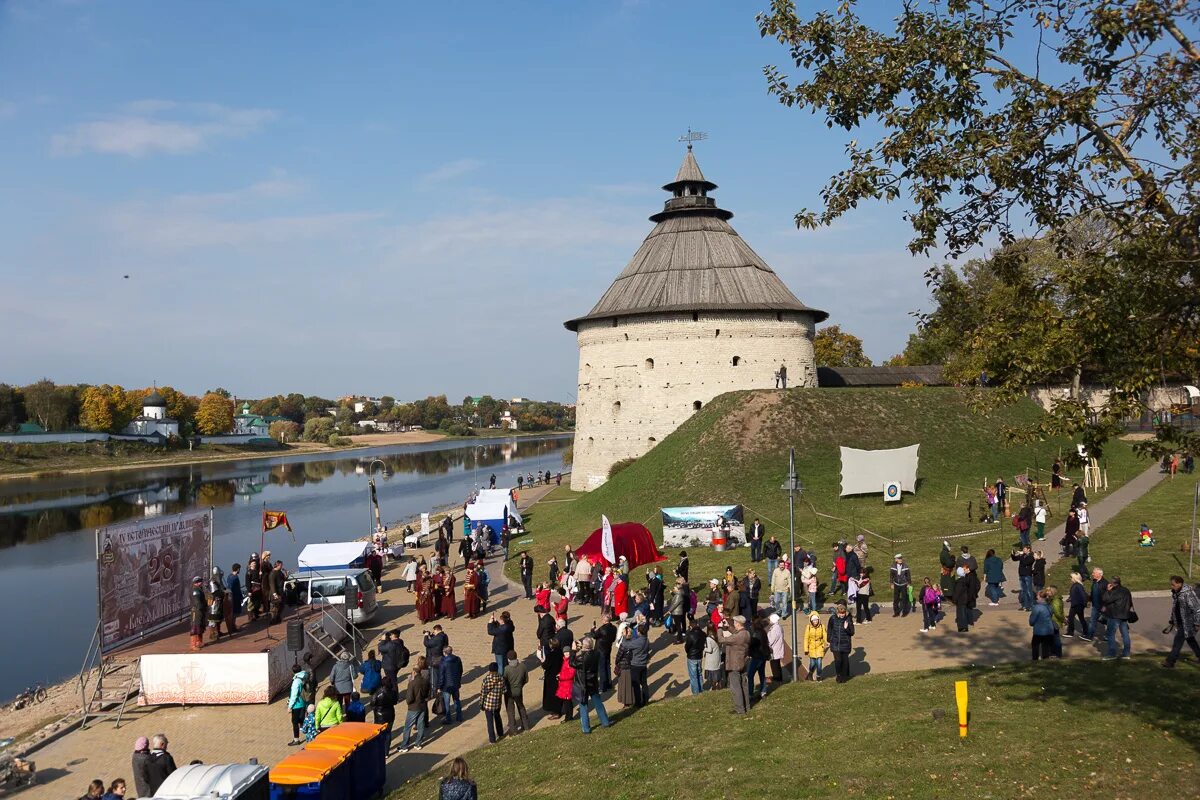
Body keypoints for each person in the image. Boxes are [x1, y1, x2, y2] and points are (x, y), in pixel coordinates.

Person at [570, 636, 611, 733]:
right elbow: (589, 650)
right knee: (598, 703)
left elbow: (572, 663)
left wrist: (573, 651)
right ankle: (605, 722)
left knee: (583, 706)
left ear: (584, 647)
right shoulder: (596, 654)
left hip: (583, 684)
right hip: (593, 682)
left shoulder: (581, 659)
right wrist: (583, 647)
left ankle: (586, 728)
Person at [1163, 575, 1200, 668]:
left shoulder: (1188, 594)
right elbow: (1175, 608)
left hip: (1189, 622)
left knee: (1178, 641)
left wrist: (1197, 623)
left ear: (1180, 584)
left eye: (1173, 585)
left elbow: (1197, 609)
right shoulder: (1177, 593)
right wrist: (1172, 620)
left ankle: (1170, 661)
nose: (1171, 586)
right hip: (1181, 621)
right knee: (1190, 639)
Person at [398, 657, 431, 752]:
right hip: (422, 705)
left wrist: (408, 702)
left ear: (414, 672)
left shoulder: (412, 683)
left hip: (413, 707)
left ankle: (404, 745)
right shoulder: (425, 681)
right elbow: (427, 693)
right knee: (421, 725)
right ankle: (418, 743)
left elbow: (409, 697)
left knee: (407, 726)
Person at [720, 615, 751, 713]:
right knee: (744, 685)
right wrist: (728, 627)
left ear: (738, 623)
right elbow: (736, 634)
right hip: (743, 662)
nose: (733, 623)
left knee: (736, 687)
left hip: (734, 664)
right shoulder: (746, 633)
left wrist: (720, 628)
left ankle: (740, 709)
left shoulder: (737, 637)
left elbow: (721, 640)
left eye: (734, 622)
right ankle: (747, 706)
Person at [1101, 576, 1134, 660]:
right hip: (1124, 616)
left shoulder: (1114, 591)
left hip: (1114, 616)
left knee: (1111, 634)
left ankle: (1112, 654)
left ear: (1113, 583)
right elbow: (1130, 602)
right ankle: (1126, 653)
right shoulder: (1126, 590)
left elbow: (1105, 599)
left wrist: (1107, 591)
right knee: (1125, 634)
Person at [618, 622, 650, 707]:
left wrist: (624, 636)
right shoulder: (646, 640)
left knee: (635, 684)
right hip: (643, 664)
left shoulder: (638, 642)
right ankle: (645, 700)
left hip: (636, 665)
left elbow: (625, 645)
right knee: (644, 683)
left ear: (639, 632)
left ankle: (638, 703)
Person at [502, 650, 530, 733]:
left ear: (508, 659)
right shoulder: (523, 666)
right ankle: (526, 726)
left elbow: (504, 682)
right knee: (521, 707)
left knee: (510, 711)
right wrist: (520, 686)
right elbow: (526, 679)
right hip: (519, 691)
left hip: (509, 693)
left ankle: (513, 730)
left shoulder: (506, 669)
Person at [828, 601, 855, 683]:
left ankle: (844, 677)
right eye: (840, 613)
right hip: (835, 644)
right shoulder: (832, 618)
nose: (842, 615)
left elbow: (852, 632)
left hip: (845, 644)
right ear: (837, 612)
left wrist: (846, 628)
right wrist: (829, 640)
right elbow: (829, 629)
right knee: (838, 661)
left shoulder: (848, 619)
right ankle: (838, 675)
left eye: (843, 613)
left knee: (845, 661)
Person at [371, 677, 399, 753]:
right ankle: (386, 752)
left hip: (379, 716)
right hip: (390, 714)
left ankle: (379, 750)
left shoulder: (378, 692)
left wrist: (376, 707)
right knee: (388, 733)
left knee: (379, 733)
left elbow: (372, 702)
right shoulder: (393, 692)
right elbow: (395, 702)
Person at [481, 663, 507, 742]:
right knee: (497, 717)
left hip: (488, 704)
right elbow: (504, 690)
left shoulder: (486, 679)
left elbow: (483, 693)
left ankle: (492, 739)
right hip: (497, 702)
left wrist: (481, 703)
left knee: (490, 721)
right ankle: (500, 733)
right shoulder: (501, 679)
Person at [438, 645, 464, 724]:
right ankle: (459, 716)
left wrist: (439, 686)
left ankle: (448, 718)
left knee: (447, 703)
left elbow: (441, 676)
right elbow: (461, 670)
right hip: (456, 684)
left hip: (447, 686)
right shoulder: (457, 659)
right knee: (457, 700)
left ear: (445, 653)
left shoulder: (443, 663)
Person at [541, 637, 565, 718]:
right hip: (558, 674)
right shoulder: (560, 652)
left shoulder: (551, 655)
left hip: (551, 677)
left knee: (553, 695)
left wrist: (542, 661)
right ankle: (558, 710)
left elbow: (545, 665)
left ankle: (556, 712)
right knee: (557, 693)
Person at [593, 612, 617, 692]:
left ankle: (603, 686)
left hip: (600, 650)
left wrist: (593, 630)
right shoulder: (614, 628)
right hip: (608, 648)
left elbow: (594, 636)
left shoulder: (602, 629)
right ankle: (609, 683)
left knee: (602, 668)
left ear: (604, 620)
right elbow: (613, 639)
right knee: (607, 666)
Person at [288, 665, 311, 745]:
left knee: (295, 722)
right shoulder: (304, 676)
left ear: (293, 671)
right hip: (304, 702)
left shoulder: (296, 681)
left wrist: (290, 706)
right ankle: (310, 734)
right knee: (302, 720)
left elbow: (294, 695)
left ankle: (296, 739)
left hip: (297, 704)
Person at [683, 618, 707, 694]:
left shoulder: (690, 635)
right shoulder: (703, 634)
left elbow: (687, 647)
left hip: (692, 657)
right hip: (699, 656)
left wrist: (689, 652)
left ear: (690, 626)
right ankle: (701, 690)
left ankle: (696, 693)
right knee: (699, 674)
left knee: (693, 676)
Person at [1029, 591, 1055, 660]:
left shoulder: (1037, 608)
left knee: (1035, 645)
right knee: (1046, 647)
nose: (1036, 597)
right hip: (1049, 629)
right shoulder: (1049, 606)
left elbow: (1032, 621)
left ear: (1041, 597)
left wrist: (1031, 622)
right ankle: (1045, 659)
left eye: (1037, 596)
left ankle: (1035, 660)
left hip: (1039, 630)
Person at [424, 625, 449, 695]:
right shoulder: (444, 636)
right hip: (441, 657)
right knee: (439, 674)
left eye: (434, 631)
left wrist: (426, 636)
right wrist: (432, 636)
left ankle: (433, 691)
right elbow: (436, 642)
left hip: (435, 659)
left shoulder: (438, 638)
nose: (433, 632)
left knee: (433, 676)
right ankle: (439, 687)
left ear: (437, 629)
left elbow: (427, 643)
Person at [1011, 545, 1035, 611]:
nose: (1023, 550)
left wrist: (1021, 556)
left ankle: (1031, 606)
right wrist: (1013, 554)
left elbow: (1025, 562)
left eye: (1024, 549)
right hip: (1021, 575)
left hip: (1027, 575)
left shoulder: (1031, 556)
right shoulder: (1022, 556)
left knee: (1029, 591)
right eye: (1023, 549)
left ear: (1028, 549)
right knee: (1023, 591)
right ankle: (1024, 605)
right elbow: (1015, 559)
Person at [1067, 572, 1090, 639]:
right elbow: (1076, 594)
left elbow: (1083, 595)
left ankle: (1071, 632)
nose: (1070, 579)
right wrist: (1070, 598)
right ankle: (1085, 632)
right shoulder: (1077, 585)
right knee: (1080, 618)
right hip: (1076, 604)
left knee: (1072, 618)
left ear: (1074, 578)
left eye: (1071, 577)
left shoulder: (1077, 585)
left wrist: (1085, 603)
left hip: (1077, 605)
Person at [766, 612, 786, 687]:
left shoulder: (775, 629)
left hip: (775, 650)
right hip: (777, 649)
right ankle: (778, 678)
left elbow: (771, 640)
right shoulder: (777, 627)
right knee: (776, 664)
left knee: (774, 665)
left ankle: (777, 679)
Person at [189, 575, 206, 652]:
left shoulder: (199, 589)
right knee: (195, 628)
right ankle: (193, 645)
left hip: (200, 611)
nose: (201, 583)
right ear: (197, 582)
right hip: (196, 611)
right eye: (200, 581)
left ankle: (199, 642)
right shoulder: (195, 591)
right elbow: (197, 602)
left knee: (200, 626)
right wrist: (201, 607)